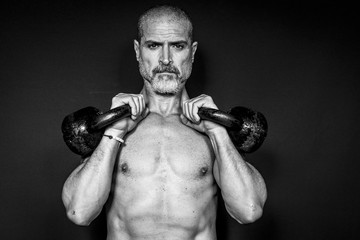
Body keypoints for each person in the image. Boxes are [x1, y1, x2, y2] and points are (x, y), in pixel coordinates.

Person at [62, 5, 267, 240]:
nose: (166, 59)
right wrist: (113, 132)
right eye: (154, 46)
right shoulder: (110, 129)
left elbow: (248, 211)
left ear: (192, 51)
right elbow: (79, 212)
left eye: (177, 46)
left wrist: (217, 132)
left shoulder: (215, 131)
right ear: (139, 51)